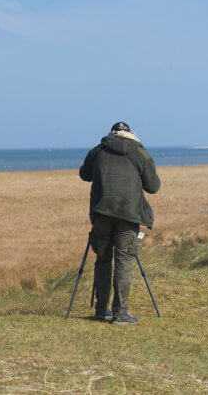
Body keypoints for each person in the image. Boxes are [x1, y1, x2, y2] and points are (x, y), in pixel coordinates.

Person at [79, 122, 160, 325]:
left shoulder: (97, 151)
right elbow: (153, 187)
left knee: (103, 261)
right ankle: (121, 313)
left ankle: (101, 310)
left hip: (101, 214)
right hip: (129, 216)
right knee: (124, 262)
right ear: (131, 134)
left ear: (111, 134)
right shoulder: (141, 153)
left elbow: (84, 174)